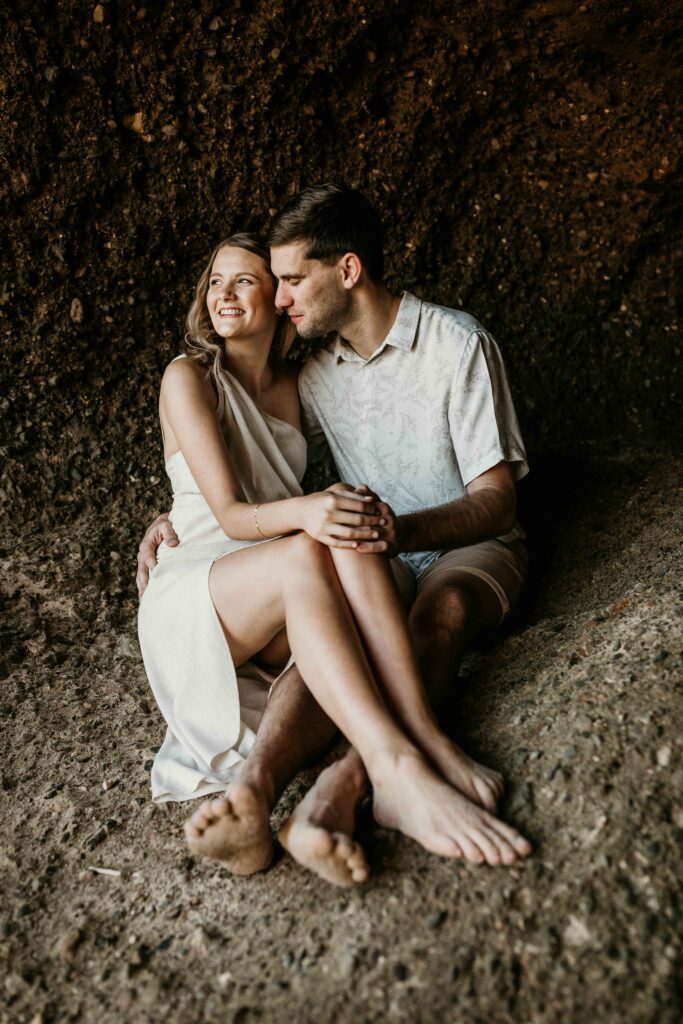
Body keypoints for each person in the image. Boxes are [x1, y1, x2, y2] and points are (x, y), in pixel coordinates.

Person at [137, 230, 531, 887]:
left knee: (343, 569)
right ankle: (395, 762)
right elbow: (226, 512)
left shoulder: (302, 386)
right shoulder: (188, 375)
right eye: (214, 282)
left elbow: (276, 486)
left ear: (278, 301)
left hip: (267, 577)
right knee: (312, 545)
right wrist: (165, 520)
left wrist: (328, 513)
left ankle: (259, 808)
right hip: (202, 584)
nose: (223, 295)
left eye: (246, 281)